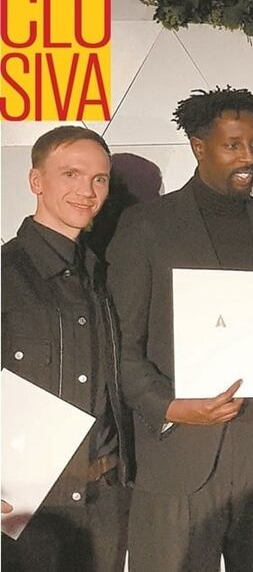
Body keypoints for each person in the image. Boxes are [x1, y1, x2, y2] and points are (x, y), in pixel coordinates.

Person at [107, 88, 253, 571]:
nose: (249, 158)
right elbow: (120, 346)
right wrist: (170, 406)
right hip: (179, 449)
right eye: (233, 145)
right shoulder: (146, 227)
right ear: (198, 146)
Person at [1, 126, 133, 572]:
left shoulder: (105, 277)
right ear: (36, 181)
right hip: (27, 505)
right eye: (71, 174)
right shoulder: (5, 275)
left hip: (106, 498)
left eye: (99, 178)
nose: (87, 190)